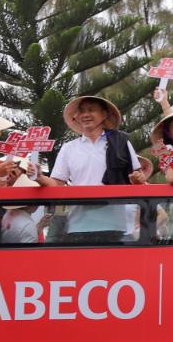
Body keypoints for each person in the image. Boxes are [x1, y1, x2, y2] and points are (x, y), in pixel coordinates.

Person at [34, 95, 146, 243]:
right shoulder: (69, 148)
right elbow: (57, 184)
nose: (85, 115)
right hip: (78, 225)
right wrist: (39, 177)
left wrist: (137, 179)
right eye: (81, 111)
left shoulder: (121, 142)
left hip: (114, 224)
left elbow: (138, 177)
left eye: (91, 110)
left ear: (104, 114)